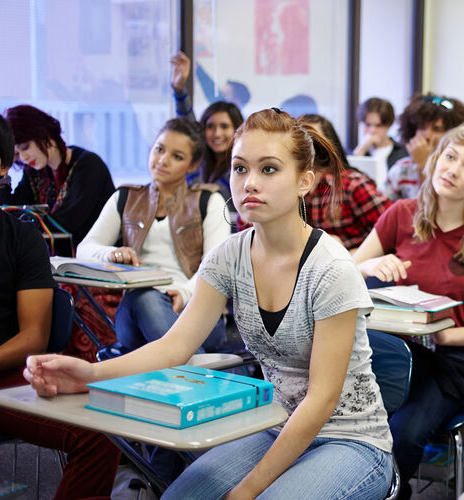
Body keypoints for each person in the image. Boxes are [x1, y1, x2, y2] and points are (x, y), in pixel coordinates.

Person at [24, 109, 393, 500]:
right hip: (277, 425)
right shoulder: (227, 256)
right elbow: (174, 346)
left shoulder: (331, 267)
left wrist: (247, 489)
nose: (249, 183)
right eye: (239, 168)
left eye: (269, 169)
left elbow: (321, 399)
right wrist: (88, 374)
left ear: (305, 181)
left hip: (351, 440)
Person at [353, 124, 464, 498]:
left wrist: (445, 335)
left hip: (451, 362)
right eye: (450, 156)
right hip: (392, 353)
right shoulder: (402, 213)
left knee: (405, 434)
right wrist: (371, 266)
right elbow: (348, 269)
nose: (454, 170)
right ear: (437, 157)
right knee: (349, 424)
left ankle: (391, 492)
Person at [0, 111, 121, 499]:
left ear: (1, 165)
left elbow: (33, 336)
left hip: (3, 375)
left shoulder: (21, 239)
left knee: (103, 433)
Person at [77, 117, 231, 355]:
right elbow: (84, 249)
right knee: (145, 297)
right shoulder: (126, 197)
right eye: (159, 149)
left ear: (192, 165)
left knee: (149, 306)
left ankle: (183, 368)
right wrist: (112, 253)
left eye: (177, 156)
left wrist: (184, 293)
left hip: (195, 311)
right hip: (136, 312)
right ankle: (201, 378)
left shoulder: (209, 200)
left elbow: (217, 266)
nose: (162, 160)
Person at [0, 105, 115, 246]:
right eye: (17, 154)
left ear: (42, 133)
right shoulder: (35, 171)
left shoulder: (88, 165)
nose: (23, 157)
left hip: (94, 259)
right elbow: (11, 212)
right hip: (57, 260)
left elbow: (68, 222)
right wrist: (3, 167)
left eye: (25, 147)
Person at [297, 114, 392, 251]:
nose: (306, 147)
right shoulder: (291, 188)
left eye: (313, 140)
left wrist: (356, 255)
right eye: (300, 140)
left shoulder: (352, 184)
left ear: (328, 145)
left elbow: (393, 227)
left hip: (357, 265)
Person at [171, 51, 245, 205]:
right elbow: (187, 124)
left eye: (224, 127)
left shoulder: (240, 166)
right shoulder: (204, 158)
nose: (217, 133)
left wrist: (190, 170)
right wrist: (179, 89)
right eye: (210, 126)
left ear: (237, 130)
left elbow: (205, 199)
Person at [383, 93, 464, 200]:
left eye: (437, 129)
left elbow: (433, 211)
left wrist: (423, 165)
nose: (427, 135)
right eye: (422, 127)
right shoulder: (400, 169)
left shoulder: (455, 172)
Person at [352, 97, 409, 168]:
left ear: (388, 126)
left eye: (378, 126)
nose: (372, 130)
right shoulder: (354, 151)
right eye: (367, 125)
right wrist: (361, 150)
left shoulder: (403, 153)